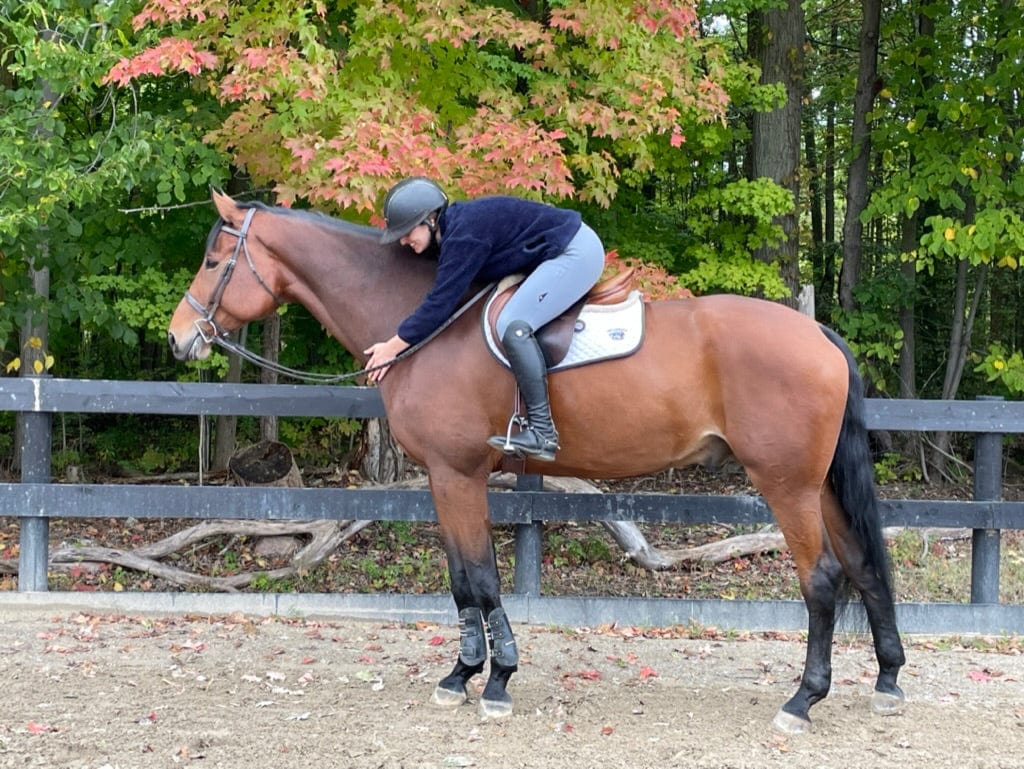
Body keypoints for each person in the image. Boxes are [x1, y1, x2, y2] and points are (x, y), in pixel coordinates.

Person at [364, 177, 606, 462]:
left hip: (575, 252)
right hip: (552, 254)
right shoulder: (453, 231)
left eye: (406, 232)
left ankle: (542, 432)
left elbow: (440, 305)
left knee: (512, 325)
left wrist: (392, 347)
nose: (404, 240)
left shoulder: (464, 236)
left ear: (430, 219)